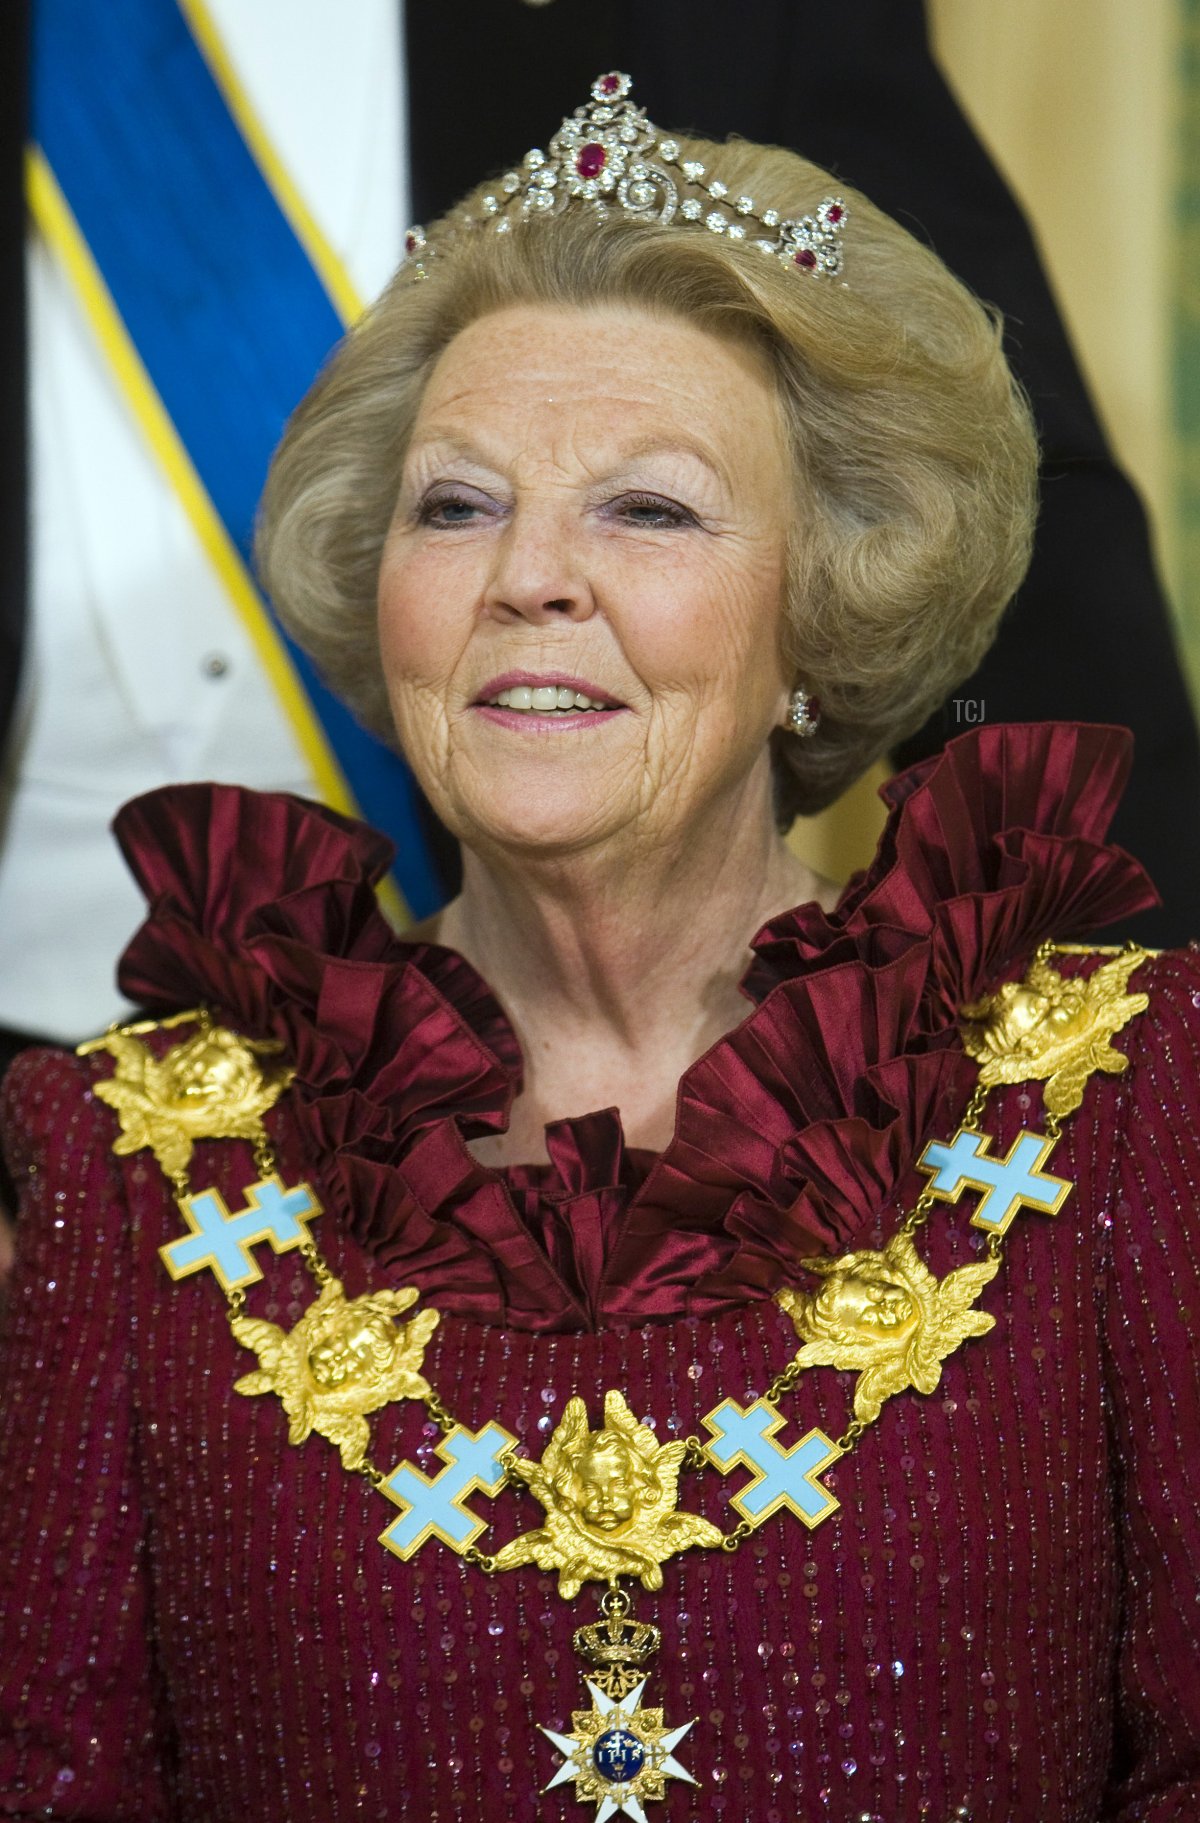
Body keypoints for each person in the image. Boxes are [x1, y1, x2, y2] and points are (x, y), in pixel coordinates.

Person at [1, 73, 1197, 1823]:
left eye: (647, 511)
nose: (527, 580)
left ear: (821, 607)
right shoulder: (141, 1161)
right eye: (456, 506)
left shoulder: (1120, 1097)